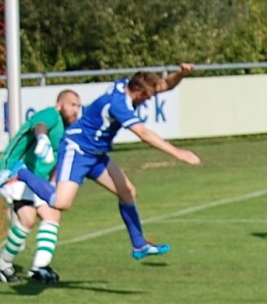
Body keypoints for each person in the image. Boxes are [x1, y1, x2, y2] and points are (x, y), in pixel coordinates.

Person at [46, 64, 201, 278]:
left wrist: (181, 74)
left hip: (96, 154)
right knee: (62, 203)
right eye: (147, 97)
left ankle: (139, 245)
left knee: (127, 191)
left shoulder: (126, 86)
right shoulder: (118, 104)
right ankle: (21, 175)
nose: (147, 101)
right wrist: (177, 152)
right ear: (139, 93)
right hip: (78, 149)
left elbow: (164, 85)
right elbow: (143, 133)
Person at [0, 90, 82, 283]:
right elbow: (39, 126)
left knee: (48, 215)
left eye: (78, 106)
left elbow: (58, 162)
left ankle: (36, 267)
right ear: (59, 105)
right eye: (72, 104)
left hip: (36, 179)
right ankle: (7, 265)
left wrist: (54, 184)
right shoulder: (51, 114)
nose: (76, 110)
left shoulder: (68, 131)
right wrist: (42, 138)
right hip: (13, 170)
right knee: (31, 218)